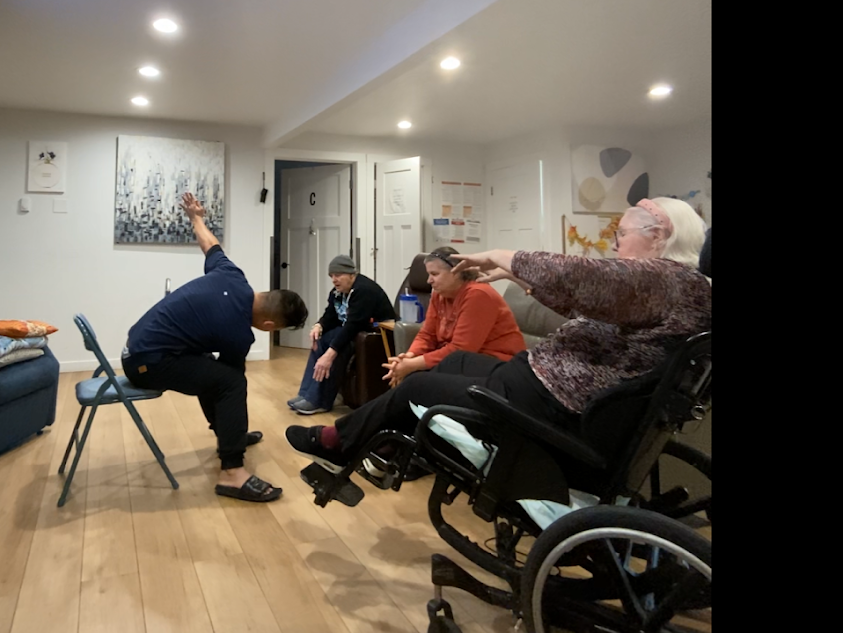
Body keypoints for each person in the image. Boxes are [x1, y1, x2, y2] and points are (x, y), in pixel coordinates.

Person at [285, 196, 711, 471]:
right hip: (543, 383)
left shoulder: (667, 280)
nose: (615, 243)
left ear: (658, 237)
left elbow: (582, 278)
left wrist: (499, 254)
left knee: (418, 384)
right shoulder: (672, 289)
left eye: (621, 234)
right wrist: (510, 271)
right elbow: (582, 302)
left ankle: (340, 442)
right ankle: (400, 449)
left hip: (549, 400)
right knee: (453, 363)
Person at [125, 192, 308, 502]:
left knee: (215, 372)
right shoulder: (239, 334)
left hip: (140, 347)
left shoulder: (232, 275)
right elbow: (231, 377)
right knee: (231, 381)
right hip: (146, 363)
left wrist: (196, 216)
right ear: (269, 327)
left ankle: (228, 434)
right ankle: (233, 473)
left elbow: (210, 244)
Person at [384, 246, 525, 389]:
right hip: (457, 364)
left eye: (434, 274)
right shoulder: (439, 294)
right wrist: (409, 356)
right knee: (412, 379)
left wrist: (413, 364)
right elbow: (427, 334)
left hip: (493, 365)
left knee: (417, 382)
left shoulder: (478, 294)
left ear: (456, 272)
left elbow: (461, 350)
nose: (429, 281)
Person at [288, 256, 395, 415]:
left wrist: (330, 354)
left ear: (352, 274)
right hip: (353, 332)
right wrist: (319, 326)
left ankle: (321, 401)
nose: (334, 280)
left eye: (338, 275)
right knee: (320, 339)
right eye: (331, 276)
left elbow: (354, 325)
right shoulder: (337, 292)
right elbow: (330, 315)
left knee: (337, 345)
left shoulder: (365, 291)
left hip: (373, 336)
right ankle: (306, 394)